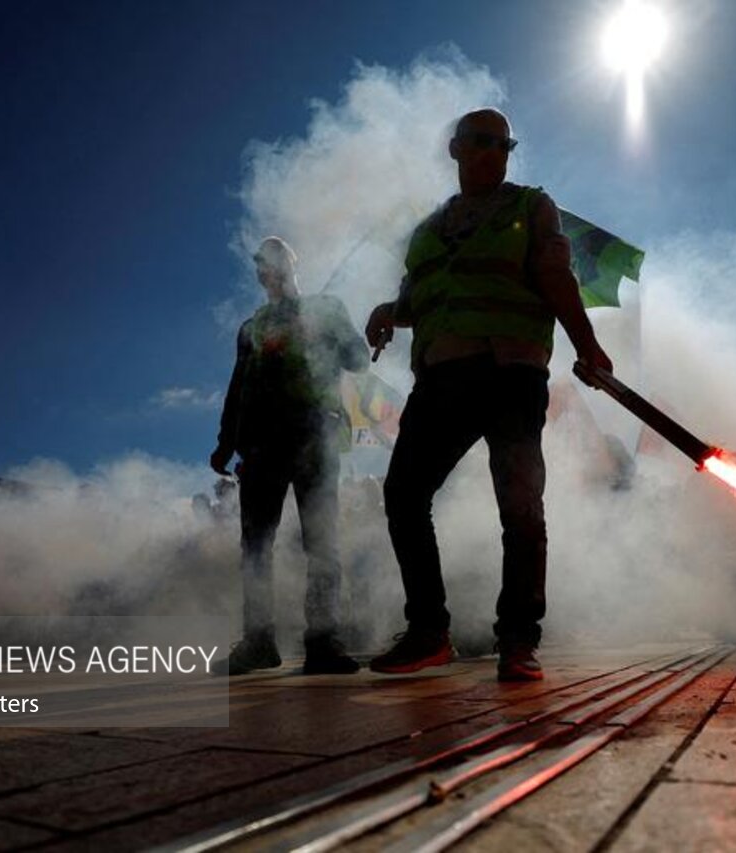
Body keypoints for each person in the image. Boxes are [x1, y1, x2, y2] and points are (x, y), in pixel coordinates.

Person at [364, 108, 613, 681]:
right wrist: (386, 313)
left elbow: (555, 275)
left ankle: (519, 642)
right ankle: (428, 632)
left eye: (504, 144)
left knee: (520, 505)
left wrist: (587, 346)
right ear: (455, 149)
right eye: (482, 142)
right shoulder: (427, 231)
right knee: (403, 495)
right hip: (441, 378)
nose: (495, 153)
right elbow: (417, 297)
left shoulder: (529, 206)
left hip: (511, 370)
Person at [211, 237, 369, 675]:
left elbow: (359, 359)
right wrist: (226, 440)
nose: (270, 268)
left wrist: (335, 338)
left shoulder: (327, 308)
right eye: (262, 262)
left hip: (314, 434)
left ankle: (323, 641)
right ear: (259, 274)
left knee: (321, 539)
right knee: (255, 545)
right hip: (261, 445)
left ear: (294, 263)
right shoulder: (251, 327)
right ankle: (259, 640)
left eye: (277, 257)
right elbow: (238, 385)